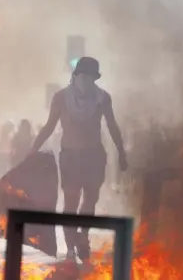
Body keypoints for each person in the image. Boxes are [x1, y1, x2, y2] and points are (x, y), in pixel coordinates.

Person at [29, 57, 128, 262]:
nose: (86, 81)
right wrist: (33, 150)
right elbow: (49, 126)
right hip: (70, 157)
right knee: (71, 202)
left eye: (91, 77)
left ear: (95, 79)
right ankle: (71, 247)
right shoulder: (61, 98)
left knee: (90, 200)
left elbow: (112, 126)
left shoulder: (102, 99)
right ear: (75, 76)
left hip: (94, 156)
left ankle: (83, 236)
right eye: (83, 76)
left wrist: (121, 152)